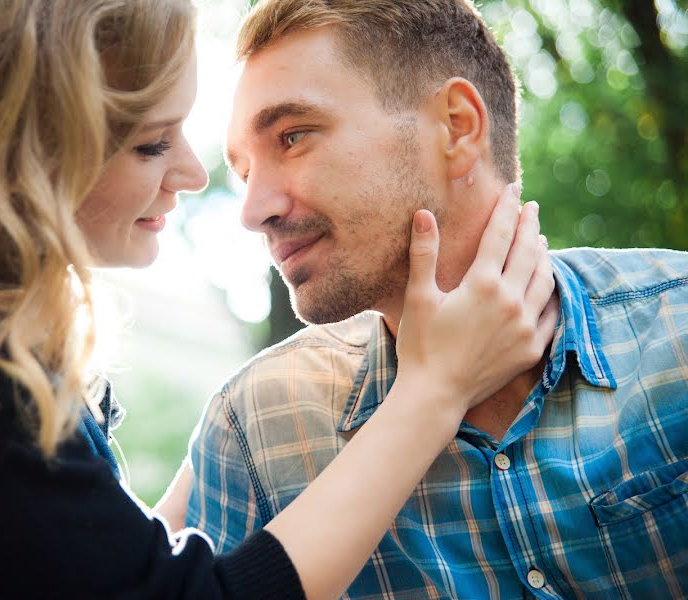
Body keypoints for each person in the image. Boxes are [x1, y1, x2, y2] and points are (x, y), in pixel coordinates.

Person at [0, 1, 555, 599]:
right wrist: (434, 390)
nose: (194, 175)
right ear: (24, 150)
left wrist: (234, 427)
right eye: (151, 142)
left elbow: (73, 566)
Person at [186, 1, 688, 599]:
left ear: (457, 126)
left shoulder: (677, 329)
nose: (253, 210)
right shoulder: (254, 427)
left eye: (292, 137)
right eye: (243, 173)